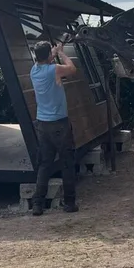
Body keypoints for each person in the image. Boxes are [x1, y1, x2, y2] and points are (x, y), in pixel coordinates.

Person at [29, 40, 78, 215]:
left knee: (44, 164)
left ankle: (37, 204)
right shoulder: (54, 70)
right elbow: (72, 68)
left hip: (42, 124)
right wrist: (62, 52)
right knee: (67, 162)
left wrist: (52, 52)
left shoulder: (34, 71)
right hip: (59, 124)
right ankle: (70, 202)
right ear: (48, 56)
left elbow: (45, 62)